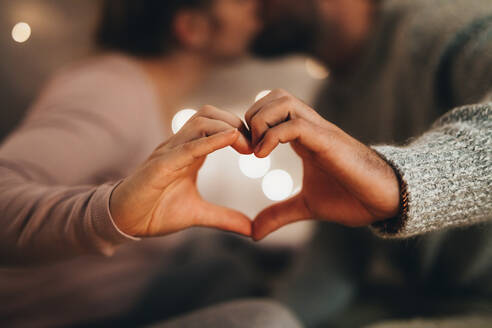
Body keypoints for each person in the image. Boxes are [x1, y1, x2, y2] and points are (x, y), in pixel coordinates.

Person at [0, 1, 283, 327]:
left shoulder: (151, 94)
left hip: (123, 301)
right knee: (264, 321)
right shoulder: (110, 92)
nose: (258, 7)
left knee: (224, 264)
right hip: (58, 319)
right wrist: (114, 210)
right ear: (191, 27)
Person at [249, 0, 492, 326]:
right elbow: (337, 257)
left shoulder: (443, 25)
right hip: (418, 300)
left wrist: (398, 179)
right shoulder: (329, 105)